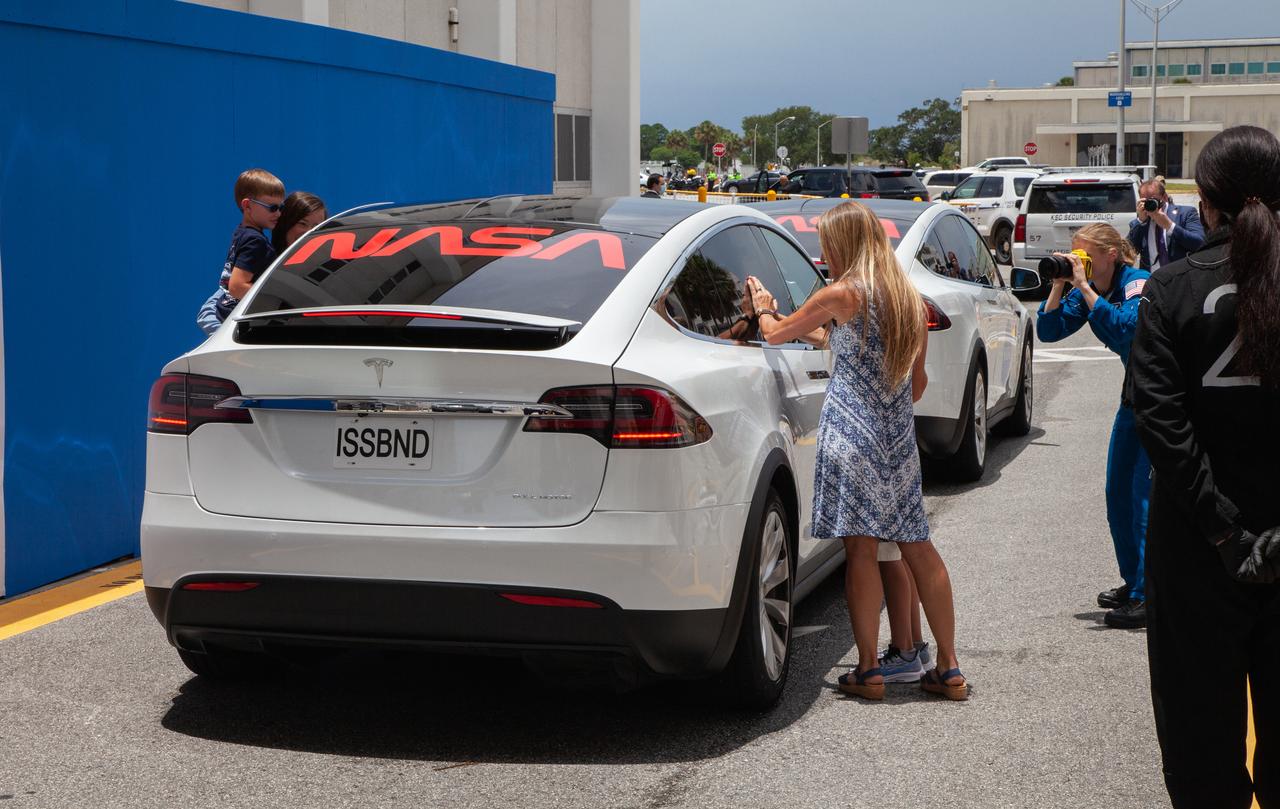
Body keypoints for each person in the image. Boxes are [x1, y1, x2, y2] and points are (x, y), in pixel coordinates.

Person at [748, 201, 969, 701]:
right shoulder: (910, 303)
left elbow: (775, 334)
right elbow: (915, 387)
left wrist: (763, 308)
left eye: (827, 241)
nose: (823, 250)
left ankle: (869, 669)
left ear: (844, 244)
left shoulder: (841, 291)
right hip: (897, 441)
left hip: (851, 436)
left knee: (861, 550)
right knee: (918, 546)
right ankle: (949, 667)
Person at [1126, 124, 1280, 809]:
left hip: (1196, 554)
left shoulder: (1172, 288)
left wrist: (1223, 531)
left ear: (1207, 205)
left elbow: (1159, 420)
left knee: (1202, 756)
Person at [1036, 223, 1151, 628]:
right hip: (1133, 396)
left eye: (1084, 257)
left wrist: (1084, 289)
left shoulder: (1138, 283)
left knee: (1140, 496)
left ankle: (1145, 593)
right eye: (1074, 256)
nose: (1078, 263)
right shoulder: (1090, 290)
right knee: (1116, 493)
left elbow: (1128, 329)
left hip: (1160, 400)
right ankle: (1133, 580)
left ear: (1111, 255)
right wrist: (1058, 283)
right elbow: (1048, 331)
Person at [1127, 177, 1205, 272]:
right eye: (1145, 201)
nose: (1149, 204)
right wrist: (1140, 221)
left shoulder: (1185, 213)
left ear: (1164, 197)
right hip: (1151, 280)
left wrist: (1170, 226)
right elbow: (1127, 251)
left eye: (1153, 200)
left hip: (1179, 278)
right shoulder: (1142, 221)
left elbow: (1200, 243)